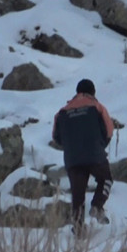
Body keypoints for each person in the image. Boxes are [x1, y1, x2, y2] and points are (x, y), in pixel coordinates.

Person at [52, 79, 115, 234]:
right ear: (93, 92)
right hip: (94, 154)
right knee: (106, 179)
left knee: (77, 194)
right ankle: (97, 206)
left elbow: (56, 137)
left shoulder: (62, 112)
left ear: (77, 92)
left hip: (72, 158)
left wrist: (71, 147)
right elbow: (109, 130)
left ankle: (79, 228)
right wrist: (100, 145)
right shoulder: (97, 107)